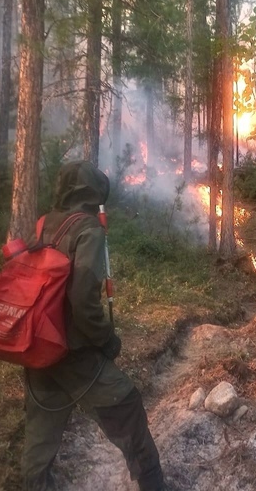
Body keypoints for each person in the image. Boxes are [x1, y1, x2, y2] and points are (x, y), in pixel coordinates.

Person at [22, 160, 166, 491]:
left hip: (38, 345)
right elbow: (84, 300)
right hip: (73, 351)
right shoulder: (89, 229)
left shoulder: (44, 224)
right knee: (126, 406)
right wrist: (106, 340)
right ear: (92, 193)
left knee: (40, 437)